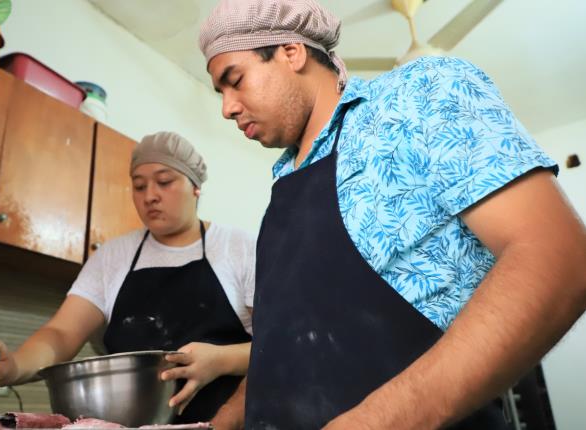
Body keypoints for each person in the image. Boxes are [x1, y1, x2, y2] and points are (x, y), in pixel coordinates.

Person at [197, 1, 586, 429]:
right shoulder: (282, 187)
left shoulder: (417, 97)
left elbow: (559, 258)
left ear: (292, 52)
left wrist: (375, 421)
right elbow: (282, 357)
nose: (227, 108)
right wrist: (213, 426)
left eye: (234, 81)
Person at [0, 131, 255, 424]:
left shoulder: (238, 248)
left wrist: (220, 360)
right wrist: (13, 367)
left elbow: (278, 346)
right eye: (138, 185)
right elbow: (61, 334)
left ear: (195, 186)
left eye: (164, 181)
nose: (150, 196)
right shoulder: (113, 256)